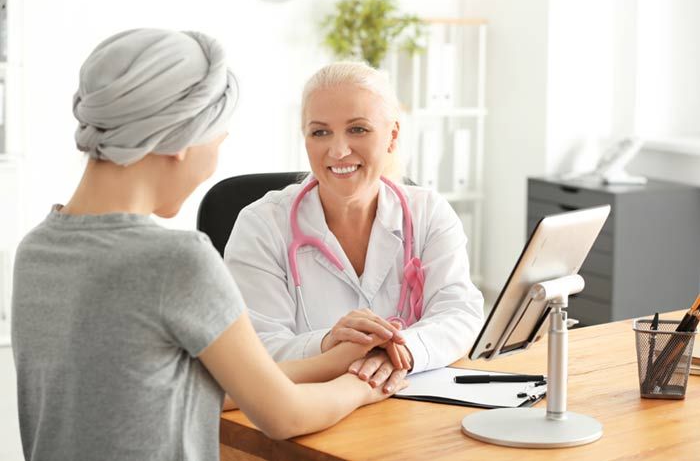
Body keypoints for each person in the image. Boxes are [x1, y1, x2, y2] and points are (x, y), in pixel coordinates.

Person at [11, 30, 406, 461]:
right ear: (182, 140)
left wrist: (333, 361)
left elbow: (188, 386)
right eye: (217, 143)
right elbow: (284, 416)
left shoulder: (36, 251)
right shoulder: (176, 262)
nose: (212, 165)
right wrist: (365, 384)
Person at [225, 61, 485, 389]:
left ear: (392, 136)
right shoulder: (262, 225)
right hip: (307, 410)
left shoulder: (428, 213)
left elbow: (460, 314)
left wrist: (397, 353)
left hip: (406, 406)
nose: (338, 150)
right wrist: (329, 345)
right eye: (320, 132)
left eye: (357, 129)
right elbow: (255, 347)